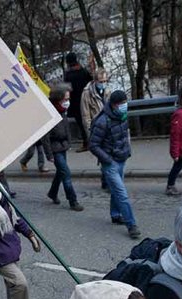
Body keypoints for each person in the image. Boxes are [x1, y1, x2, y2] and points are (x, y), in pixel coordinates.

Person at [90, 90, 141, 239]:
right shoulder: (102, 121)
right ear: (114, 105)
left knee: (116, 190)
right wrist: (108, 160)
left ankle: (115, 214)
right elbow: (93, 145)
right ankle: (131, 224)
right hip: (110, 163)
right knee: (121, 193)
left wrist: (127, 151)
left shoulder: (122, 115)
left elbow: (125, 135)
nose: (125, 105)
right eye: (122, 103)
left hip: (121, 158)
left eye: (126, 102)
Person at [46, 85, 83, 211]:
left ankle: (52, 193)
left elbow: (66, 128)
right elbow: (45, 137)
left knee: (61, 173)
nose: (68, 102)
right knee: (66, 173)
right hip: (55, 148)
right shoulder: (50, 113)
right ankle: (73, 201)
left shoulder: (62, 111)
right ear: (58, 99)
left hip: (62, 146)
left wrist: (68, 142)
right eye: (65, 99)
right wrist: (49, 154)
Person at [81, 69, 111, 190]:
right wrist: (90, 134)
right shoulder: (87, 93)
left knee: (108, 155)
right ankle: (106, 181)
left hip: (109, 128)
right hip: (97, 129)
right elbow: (85, 115)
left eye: (105, 81)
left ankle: (106, 180)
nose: (103, 83)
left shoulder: (108, 91)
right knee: (104, 156)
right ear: (95, 81)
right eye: (101, 81)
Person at [63, 52, 94, 150]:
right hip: (87, 100)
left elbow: (67, 89)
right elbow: (91, 81)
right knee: (90, 121)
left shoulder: (68, 75)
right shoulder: (83, 71)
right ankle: (95, 141)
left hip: (76, 104)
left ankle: (86, 143)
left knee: (81, 125)